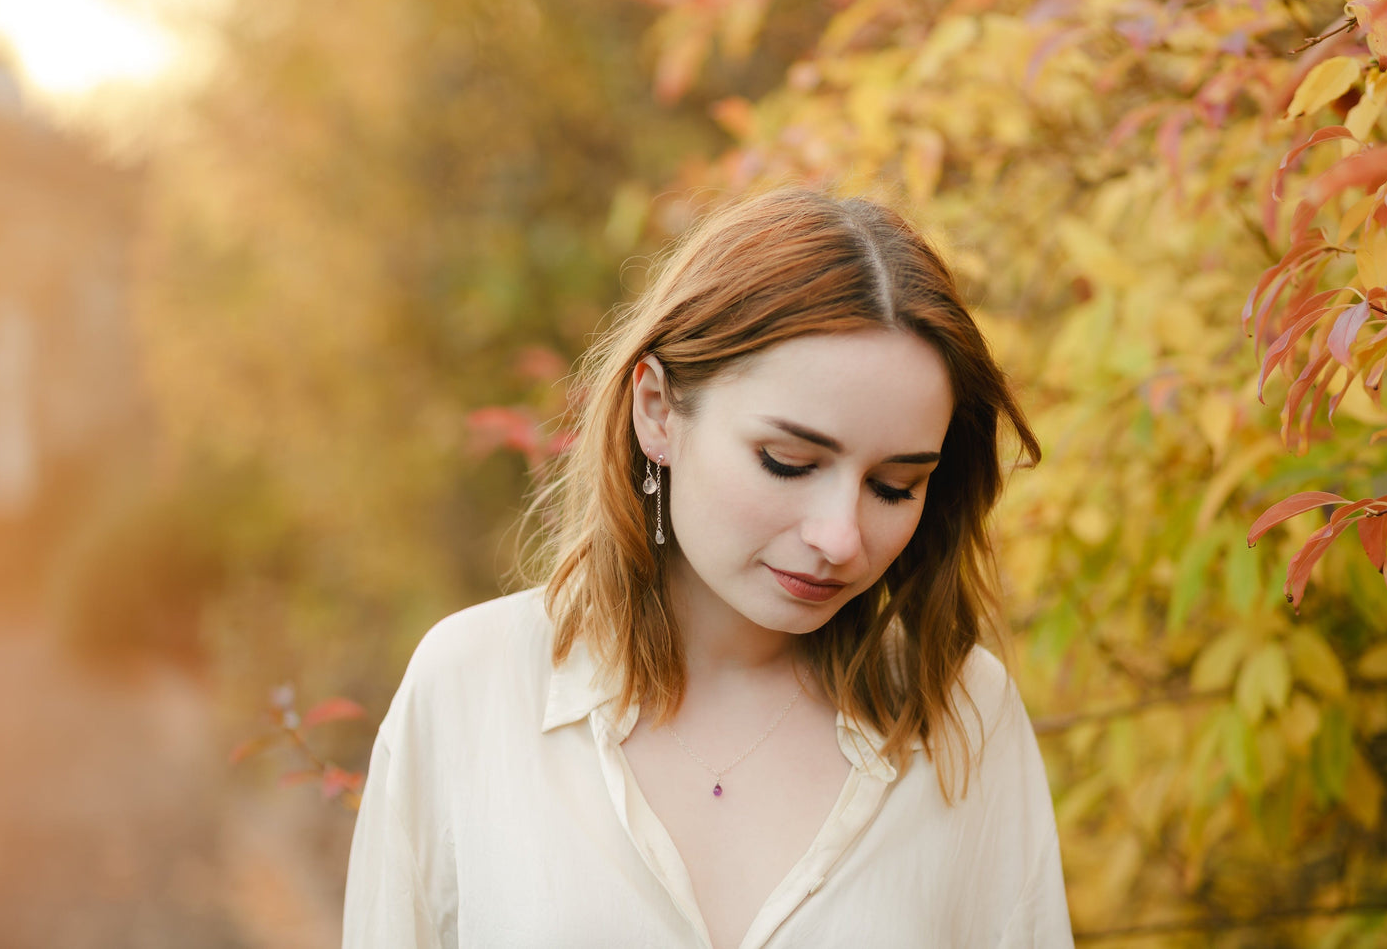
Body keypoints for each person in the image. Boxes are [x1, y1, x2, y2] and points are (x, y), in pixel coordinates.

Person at [342, 190, 1074, 948]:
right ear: (657, 409)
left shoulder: (964, 714)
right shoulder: (472, 685)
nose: (839, 537)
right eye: (787, 462)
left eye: (895, 486)